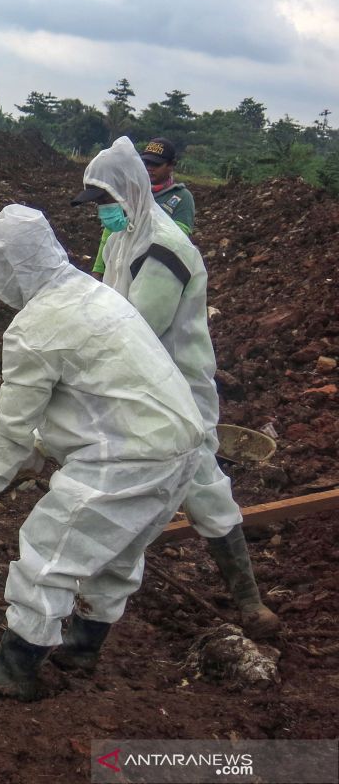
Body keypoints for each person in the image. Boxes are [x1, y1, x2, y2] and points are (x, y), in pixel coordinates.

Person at [0, 205, 204, 701]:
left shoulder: (33, 328)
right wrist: (43, 448)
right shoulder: (93, 292)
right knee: (118, 552)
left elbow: (12, 426)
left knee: (46, 549)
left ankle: (15, 667)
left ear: (10, 268)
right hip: (180, 445)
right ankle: (82, 646)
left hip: (130, 456)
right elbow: (98, 389)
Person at [73, 137, 280, 637]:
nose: (103, 213)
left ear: (131, 194)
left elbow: (137, 331)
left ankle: (248, 602)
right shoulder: (125, 237)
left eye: (107, 203)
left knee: (201, 485)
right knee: (176, 483)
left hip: (173, 389)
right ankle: (95, 611)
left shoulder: (164, 249)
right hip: (140, 389)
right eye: (97, 205)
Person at [90, 137, 194, 279]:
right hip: (120, 266)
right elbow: (110, 234)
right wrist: (98, 269)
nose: (149, 168)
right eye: (146, 162)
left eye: (156, 164)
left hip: (154, 272)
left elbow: (179, 240)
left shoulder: (181, 197)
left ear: (171, 165)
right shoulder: (132, 192)